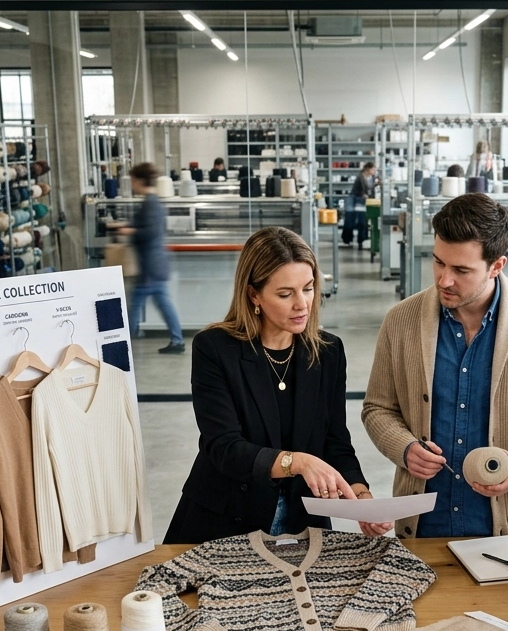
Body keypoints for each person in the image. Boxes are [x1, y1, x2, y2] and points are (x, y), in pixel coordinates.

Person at [362, 192, 508, 539]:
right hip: (422, 523)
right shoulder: (400, 321)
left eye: (461, 269)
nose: (443, 280)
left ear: (497, 265)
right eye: (438, 262)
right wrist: (403, 448)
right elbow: (378, 408)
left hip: (505, 527)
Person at [165, 226, 392, 544]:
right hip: (225, 519)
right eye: (285, 294)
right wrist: (296, 461)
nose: (302, 304)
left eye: (309, 288)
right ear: (253, 294)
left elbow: (335, 441)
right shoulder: (215, 348)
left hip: (304, 518)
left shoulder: (328, 351)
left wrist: (362, 497)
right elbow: (224, 447)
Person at [123, 162, 185, 354]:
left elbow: (150, 231)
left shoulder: (150, 203)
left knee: (135, 305)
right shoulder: (152, 202)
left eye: (133, 180)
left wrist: (129, 231)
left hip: (150, 265)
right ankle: (177, 340)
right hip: (155, 263)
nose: (132, 184)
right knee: (163, 303)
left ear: (140, 180)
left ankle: (124, 345)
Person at [341, 162, 378, 249]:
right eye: (373, 169)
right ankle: (348, 240)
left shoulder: (372, 177)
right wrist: (363, 194)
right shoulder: (360, 177)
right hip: (355, 200)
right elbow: (356, 191)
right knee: (350, 221)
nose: (374, 171)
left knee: (363, 221)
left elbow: (371, 188)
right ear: (368, 169)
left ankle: (362, 240)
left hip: (364, 201)